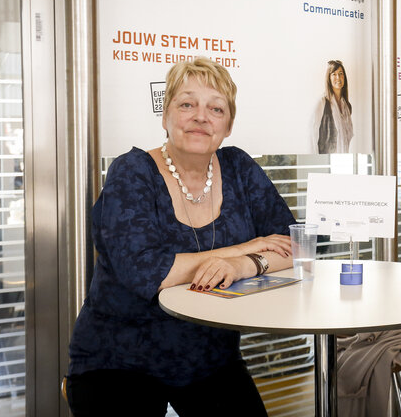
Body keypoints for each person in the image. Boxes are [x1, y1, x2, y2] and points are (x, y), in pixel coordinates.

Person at [65, 58, 296, 416]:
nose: (201, 116)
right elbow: (147, 272)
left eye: (215, 108)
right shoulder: (132, 172)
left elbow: (292, 244)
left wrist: (244, 264)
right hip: (120, 359)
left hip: (211, 357)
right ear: (165, 116)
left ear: (228, 125)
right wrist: (242, 247)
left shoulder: (239, 167)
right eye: (187, 104)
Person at [313, 60, 354, 153]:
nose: (338, 77)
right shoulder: (322, 102)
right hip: (327, 157)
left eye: (341, 73)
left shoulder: (347, 107)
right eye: (334, 74)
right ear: (329, 78)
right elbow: (312, 134)